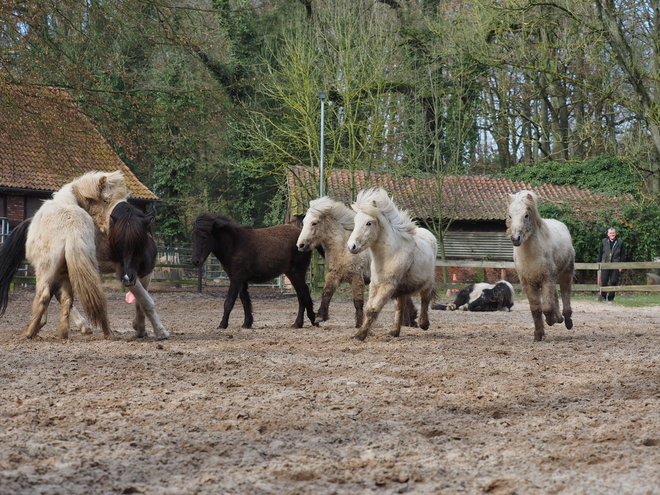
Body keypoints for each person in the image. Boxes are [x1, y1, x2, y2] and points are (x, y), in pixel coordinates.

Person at [597, 227, 625, 302]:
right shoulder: (603, 241)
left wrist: (621, 266)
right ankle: (603, 297)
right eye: (610, 233)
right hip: (605, 264)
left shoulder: (620, 242)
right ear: (608, 234)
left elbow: (622, 255)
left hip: (615, 264)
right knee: (604, 281)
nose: (612, 234)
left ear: (615, 234)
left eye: (613, 233)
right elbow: (600, 253)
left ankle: (611, 298)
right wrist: (599, 264)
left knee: (613, 281)